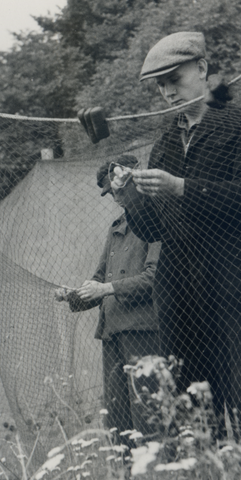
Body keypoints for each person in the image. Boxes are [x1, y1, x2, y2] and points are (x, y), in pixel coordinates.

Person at [117, 31, 241, 448]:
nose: (168, 91)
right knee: (192, 391)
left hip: (233, 275)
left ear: (203, 69)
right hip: (180, 287)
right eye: (160, 84)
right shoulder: (165, 143)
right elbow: (154, 230)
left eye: (175, 77)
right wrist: (129, 196)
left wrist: (181, 187)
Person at [55, 153, 162, 443]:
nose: (115, 197)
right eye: (110, 192)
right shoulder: (115, 228)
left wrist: (105, 290)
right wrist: (74, 295)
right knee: (118, 418)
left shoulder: (157, 219)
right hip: (113, 333)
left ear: (131, 179)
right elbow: (100, 279)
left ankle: (158, 477)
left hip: (143, 332)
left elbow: (155, 278)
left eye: (116, 188)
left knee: (148, 412)